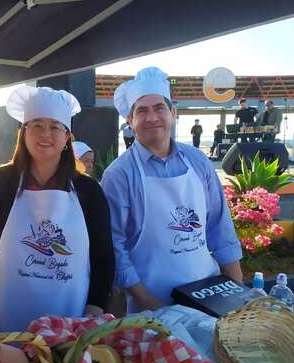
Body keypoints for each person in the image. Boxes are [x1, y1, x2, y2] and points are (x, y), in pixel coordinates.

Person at [0, 86, 115, 337]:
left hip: (71, 324)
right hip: (7, 325)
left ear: (68, 137)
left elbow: (103, 259)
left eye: (55, 126)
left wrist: (90, 323)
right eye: (36, 124)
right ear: (22, 133)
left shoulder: (89, 191)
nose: (45, 134)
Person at [101, 67, 243, 313]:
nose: (152, 117)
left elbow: (220, 228)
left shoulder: (197, 161)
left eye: (159, 108)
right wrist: (149, 302)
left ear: (173, 113)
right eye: (141, 111)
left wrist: (239, 292)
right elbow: (115, 246)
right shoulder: (119, 174)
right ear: (130, 121)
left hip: (209, 293)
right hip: (153, 305)